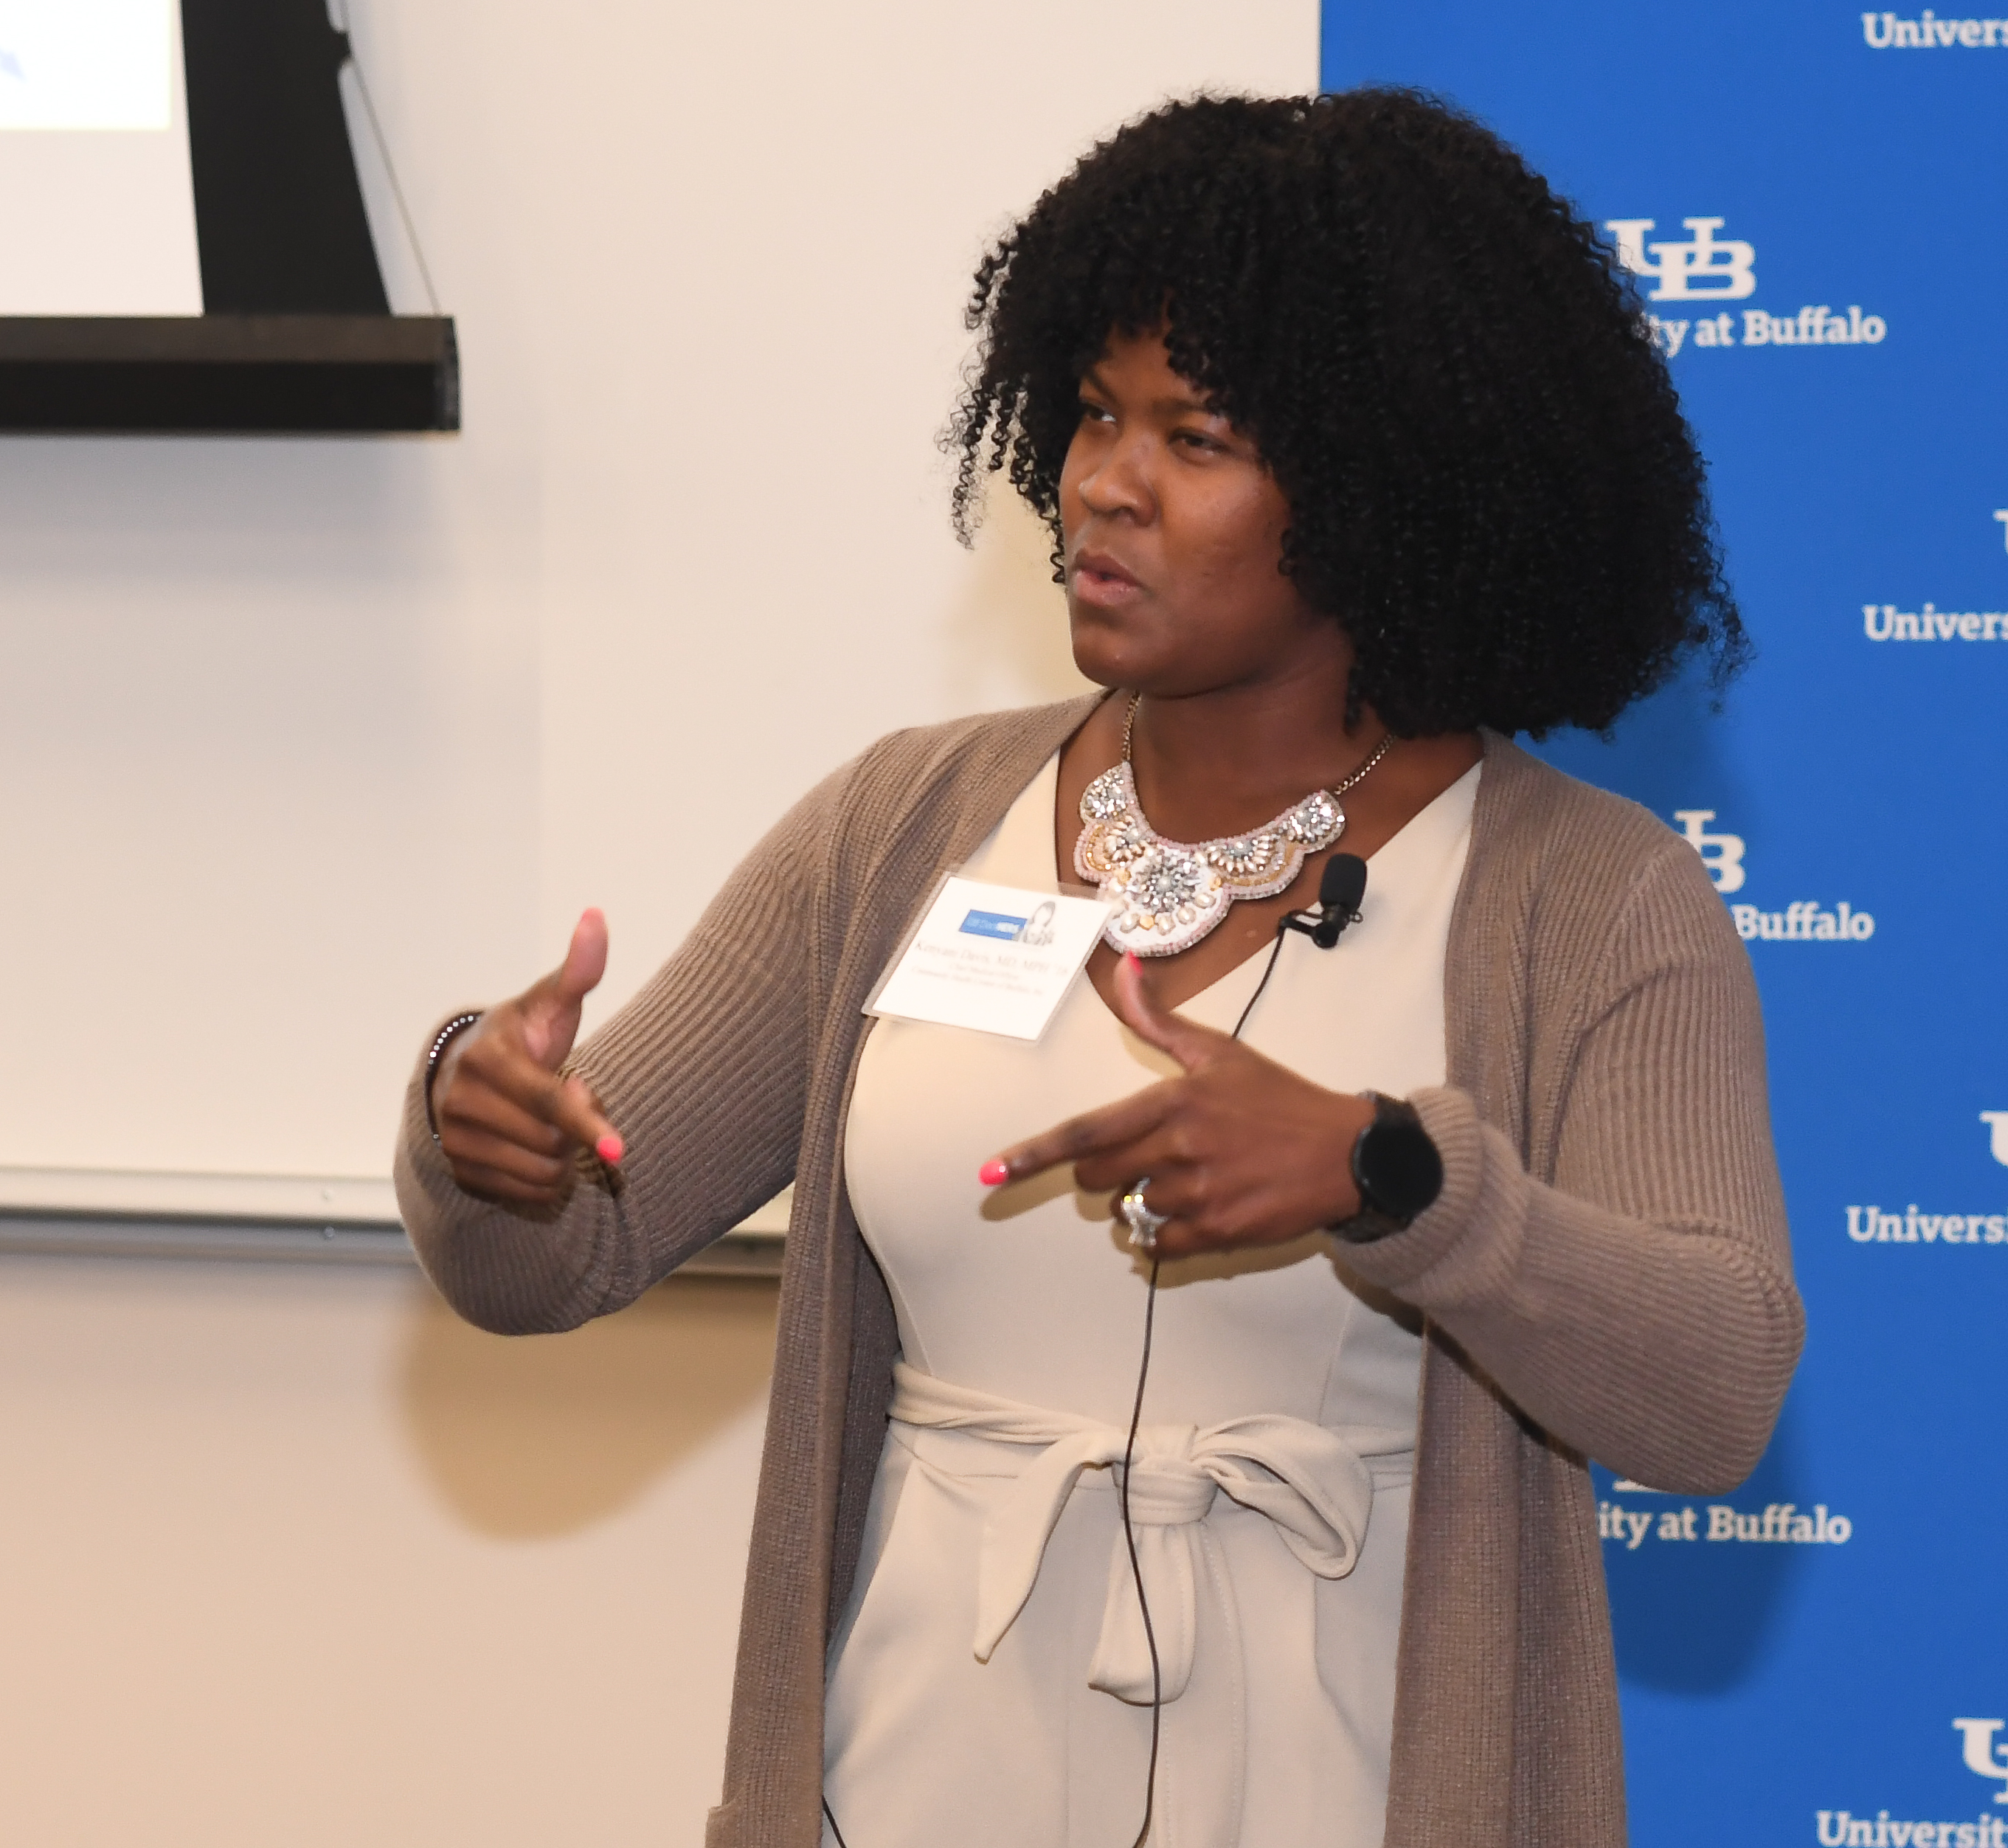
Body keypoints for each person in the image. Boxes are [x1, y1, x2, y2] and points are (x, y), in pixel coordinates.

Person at [399, 89, 1801, 1848]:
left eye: (1194, 435)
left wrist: (1394, 1176)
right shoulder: (899, 829)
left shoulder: (1588, 900)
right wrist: (484, 1129)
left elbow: (1716, 1388)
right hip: (905, 1788)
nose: (1101, 484)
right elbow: (551, 1258)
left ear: (1389, 482)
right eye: (1090, 411)